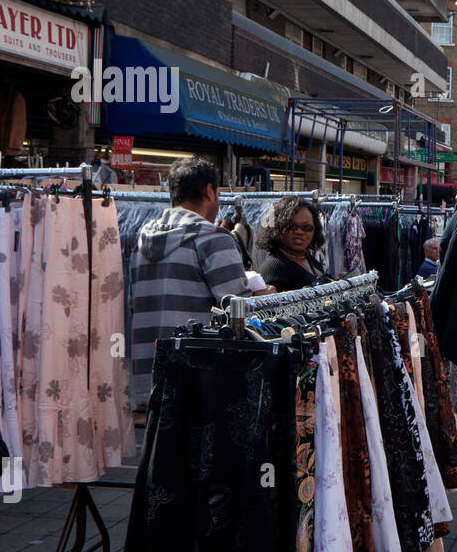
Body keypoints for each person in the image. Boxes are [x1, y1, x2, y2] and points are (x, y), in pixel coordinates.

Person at [129, 157, 268, 408]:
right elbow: (240, 310)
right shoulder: (213, 238)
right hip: (197, 377)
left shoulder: (142, 240)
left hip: (147, 376)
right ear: (210, 191)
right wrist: (265, 296)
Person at [257, 195, 333, 292]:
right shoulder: (274, 269)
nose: (299, 232)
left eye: (307, 228)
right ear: (277, 228)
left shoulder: (308, 258)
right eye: (292, 226)